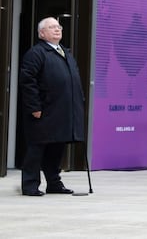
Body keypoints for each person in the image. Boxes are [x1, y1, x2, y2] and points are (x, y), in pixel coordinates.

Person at [19, 17, 86, 196]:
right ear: (42, 33)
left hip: (62, 110)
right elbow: (28, 82)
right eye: (52, 27)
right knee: (37, 148)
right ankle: (30, 185)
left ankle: (54, 183)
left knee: (56, 148)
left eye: (58, 27)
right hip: (43, 110)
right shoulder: (36, 53)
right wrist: (34, 107)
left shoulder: (65, 52)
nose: (57, 30)